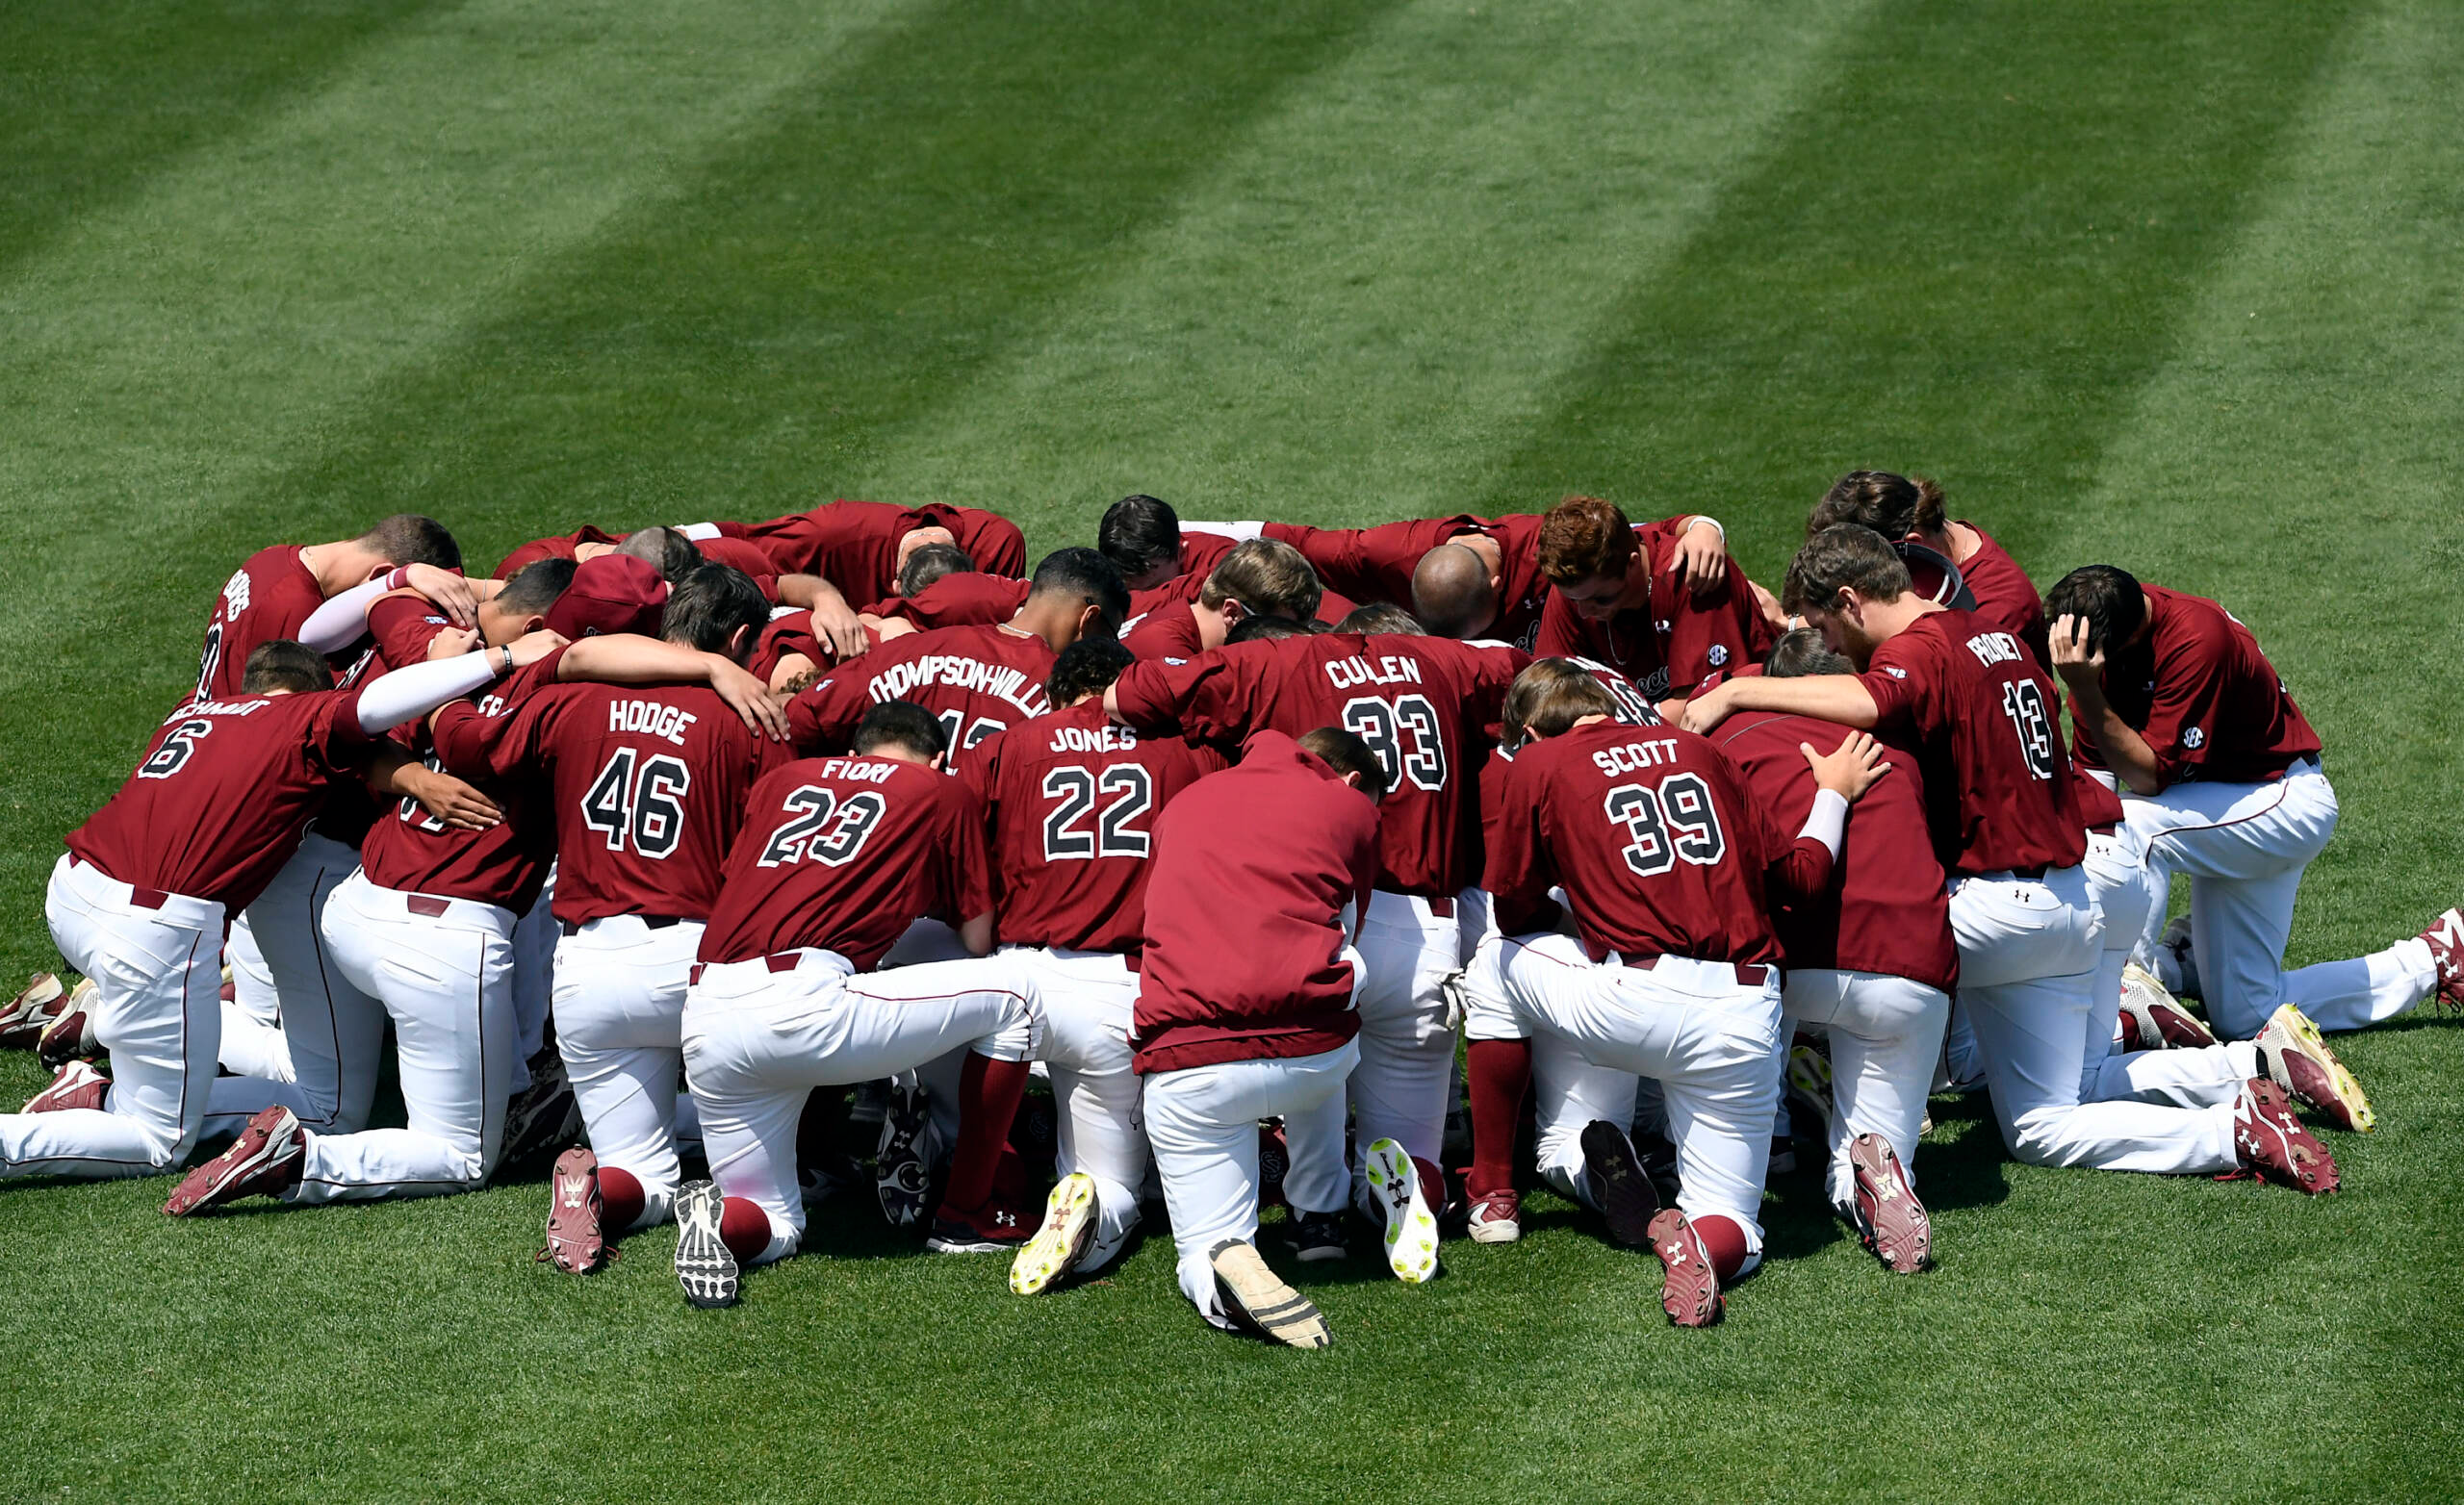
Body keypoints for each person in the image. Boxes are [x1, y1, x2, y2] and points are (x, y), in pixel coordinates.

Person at [1683, 527, 2338, 1196]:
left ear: (1851, 600)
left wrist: (1735, 693)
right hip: (2075, 900)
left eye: (1824, 625)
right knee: (2048, 1116)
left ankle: (1823, 1126)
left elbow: (1871, 701)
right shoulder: (1991, 634)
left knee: (1833, 973)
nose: (1826, 645)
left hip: (1994, 915)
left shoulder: (1920, 651)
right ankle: (2245, 1087)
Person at [10, 637, 556, 1186]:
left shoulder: (196, 709)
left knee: (197, 1043)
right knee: (157, 1140)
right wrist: (501, 659)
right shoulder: (299, 716)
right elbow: (372, 709)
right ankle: (75, 1113)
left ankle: (105, 1053)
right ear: (310, 692)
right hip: (150, 927)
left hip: (74, 893)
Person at [1461, 660, 1889, 1324]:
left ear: (1526, 730)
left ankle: (1492, 1194)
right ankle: (1700, 1247)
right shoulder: (1700, 750)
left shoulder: (1538, 766)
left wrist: (1578, 919)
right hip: (1745, 1013)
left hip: (1628, 1001)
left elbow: (1512, 913)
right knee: (1738, 1226)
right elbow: (1802, 885)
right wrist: (1831, 795)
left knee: (1492, 963)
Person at [1108, 623, 1525, 1277]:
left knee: (1313, 1055)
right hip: (1424, 928)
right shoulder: (1440, 668)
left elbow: (1133, 691)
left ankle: (1306, 1211)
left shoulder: (1262, 700)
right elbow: (1527, 672)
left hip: (1280, 957)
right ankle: (1403, 1189)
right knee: (1395, 1122)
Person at [429, 563, 790, 1271]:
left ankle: (603, 1187)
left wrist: (438, 697)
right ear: (742, 639)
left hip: (591, 973)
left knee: (643, 1173)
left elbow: (465, 742)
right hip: (699, 968)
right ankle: (732, 1216)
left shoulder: (575, 701)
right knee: (771, 1189)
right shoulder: (751, 719)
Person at [673, 701, 1038, 1308]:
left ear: (851, 754)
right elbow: (976, 941)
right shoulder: (939, 788)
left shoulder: (785, 778)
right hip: (806, 999)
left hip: (707, 1009)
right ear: (940, 759)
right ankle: (966, 1210)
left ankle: (720, 1222)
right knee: (1015, 995)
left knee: (772, 1221)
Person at [2045, 565, 2461, 1040]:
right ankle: (2434, 957)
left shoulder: (2197, 638)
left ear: (2129, 634)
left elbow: (2148, 777)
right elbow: (2095, 792)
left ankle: (2128, 993)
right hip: (2219, 809)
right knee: (2246, 1018)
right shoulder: (2098, 650)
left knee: (2137, 824)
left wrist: (2084, 690)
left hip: (2282, 801)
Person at [947, 639, 1229, 1290]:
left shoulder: (1011, 744)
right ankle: (1097, 1207)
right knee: (1115, 1187)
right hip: (1124, 988)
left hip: (1015, 985)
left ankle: (955, 1154)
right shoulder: (1186, 749)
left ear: (1058, 692)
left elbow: (954, 835)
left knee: (935, 1030)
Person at [1700, 631, 1953, 1272]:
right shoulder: (1896, 743)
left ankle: (1766, 1144)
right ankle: (1864, 1181)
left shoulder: (1731, 739)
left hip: (1789, 965)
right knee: (1864, 1158)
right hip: (1911, 966)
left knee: (1732, 1123)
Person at [1135, 727, 1387, 1347]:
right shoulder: (1348, 807)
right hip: (1313, 1058)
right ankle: (1318, 1217)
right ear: (1354, 782)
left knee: (1202, 1246)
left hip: (1188, 1058)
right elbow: (1347, 925)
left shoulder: (1185, 802)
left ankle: (1224, 1258)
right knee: (1343, 979)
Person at [788, 548, 1129, 761]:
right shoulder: (1060, 694)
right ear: (1090, 619)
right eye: (1110, 636)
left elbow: (798, 721)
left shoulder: (915, 647)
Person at [1531, 496, 1770, 713]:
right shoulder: (1578, 589)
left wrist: (1608, 730)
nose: (1584, 612)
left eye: (1601, 599)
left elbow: (1703, 702)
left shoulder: (1690, 575)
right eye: (1574, 601)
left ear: (1633, 565)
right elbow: (1547, 691)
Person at [1119, 539, 1324, 661]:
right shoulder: (1167, 652)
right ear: (1232, 613)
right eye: (1280, 635)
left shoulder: (1189, 629)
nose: (1288, 648)